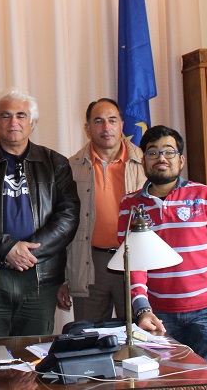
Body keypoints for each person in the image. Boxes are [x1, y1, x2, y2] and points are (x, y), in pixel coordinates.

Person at [120, 125, 207, 367]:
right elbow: (133, 265)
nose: (161, 158)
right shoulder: (130, 205)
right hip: (158, 315)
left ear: (181, 160)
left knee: (205, 380)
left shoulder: (204, 196)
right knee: (162, 380)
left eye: (168, 151)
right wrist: (142, 309)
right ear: (143, 162)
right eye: (153, 152)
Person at [0, 87, 80, 337]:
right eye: (5, 115)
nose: (13, 122)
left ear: (32, 122)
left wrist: (29, 252)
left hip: (40, 276)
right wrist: (7, 249)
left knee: (33, 352)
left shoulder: (55, 163)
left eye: (21, 115)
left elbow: (68, 216)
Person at [58, 98, 145, 321]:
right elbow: (61, 225)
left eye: (112, 120)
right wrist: (62, 278)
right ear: (87, 128)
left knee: (137, 334)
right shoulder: (71, 168)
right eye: (98, 121)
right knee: (90, 335)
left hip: (134, 263)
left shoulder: (145, 163)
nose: (106, 127)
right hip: (90, 263)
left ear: (122, 125)